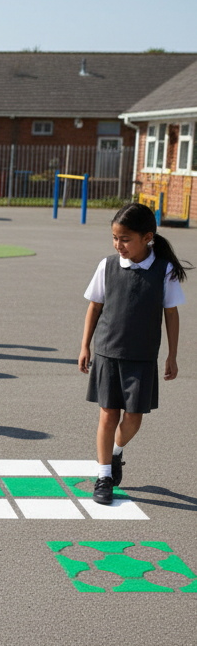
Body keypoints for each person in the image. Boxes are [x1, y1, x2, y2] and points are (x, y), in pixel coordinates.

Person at [78, 202, 188, 505]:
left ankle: (115, 453)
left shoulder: (164, 271)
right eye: (115, 238)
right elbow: (95, 306)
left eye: (125, 238)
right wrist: (85, 345)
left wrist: (172, 355)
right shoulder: (108, 265)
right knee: (107, 414)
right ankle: (104, 476)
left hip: (141, 357)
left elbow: (171, 314)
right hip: (107, 353)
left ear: (147, 237)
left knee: (134, 419)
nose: (118, 245)